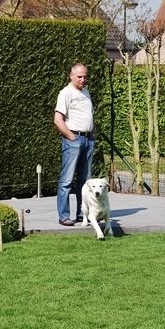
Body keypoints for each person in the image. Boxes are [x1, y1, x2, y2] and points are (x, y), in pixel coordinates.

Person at [54, 63, 96, 226]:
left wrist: (92, 134)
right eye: (79, 77)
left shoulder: (86, 93)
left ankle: (82, 214)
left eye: (85, 76)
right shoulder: (66, 93)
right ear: (71, 76)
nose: (83, 80)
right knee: (67, 180)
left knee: (86, 181)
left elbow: (89, 115)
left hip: (88, 140)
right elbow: (58, 120)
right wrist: (72, 137)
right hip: (74, 140)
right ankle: (64, 215)